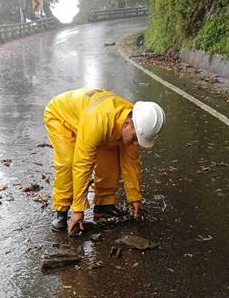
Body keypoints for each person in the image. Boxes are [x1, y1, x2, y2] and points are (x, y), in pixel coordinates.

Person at [43, 87, 165, 235]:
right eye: (135, 139)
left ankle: (104, 204)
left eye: (138, 141)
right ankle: (61, 210)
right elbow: (82, 165)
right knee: (69, 162)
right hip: (60, 116)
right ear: (126, 124)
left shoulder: (134, 123)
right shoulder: (99, 122)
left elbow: (131, 163)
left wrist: (135, 198)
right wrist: (78, 209)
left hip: (91, 118)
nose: (135, 144)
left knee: (110, 160)